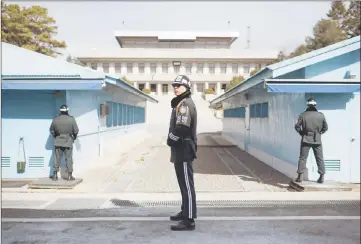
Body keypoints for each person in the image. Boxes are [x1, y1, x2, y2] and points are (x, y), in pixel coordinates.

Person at [167, 75, 198, 231]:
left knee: (187, 185)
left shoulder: (185, 104)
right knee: (182, 184)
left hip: (184, 150)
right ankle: (185, 211)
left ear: (187, 87)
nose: (176, 87)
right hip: (180, 150)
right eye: (174, 85)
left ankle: (189, 220)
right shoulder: (180, 103)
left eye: (179, 85)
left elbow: (182, 128)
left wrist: (170, 139)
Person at [294, 97, 328, 184]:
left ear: (307, 105)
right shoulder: (321, 115)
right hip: (317, 139)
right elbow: (325, 128)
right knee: (319, 158)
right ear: (315, 105)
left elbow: (297, 126)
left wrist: (302, 133)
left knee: (303, 158)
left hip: (306, 138)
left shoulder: (303, 115)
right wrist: (319, 134)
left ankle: (300, 176)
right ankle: (321, 176)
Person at [49, 104, 79, 181]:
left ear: (60, 111)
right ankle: (69, 176)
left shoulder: (55, 119)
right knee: (68, 158)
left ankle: (55, 175)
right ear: (67, 111)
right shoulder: (71, 119)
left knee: (57, 158)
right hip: (68, 141)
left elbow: (51, 130)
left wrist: (56, 136)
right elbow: (76, 131)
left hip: (58, 141)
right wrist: (74, 137)